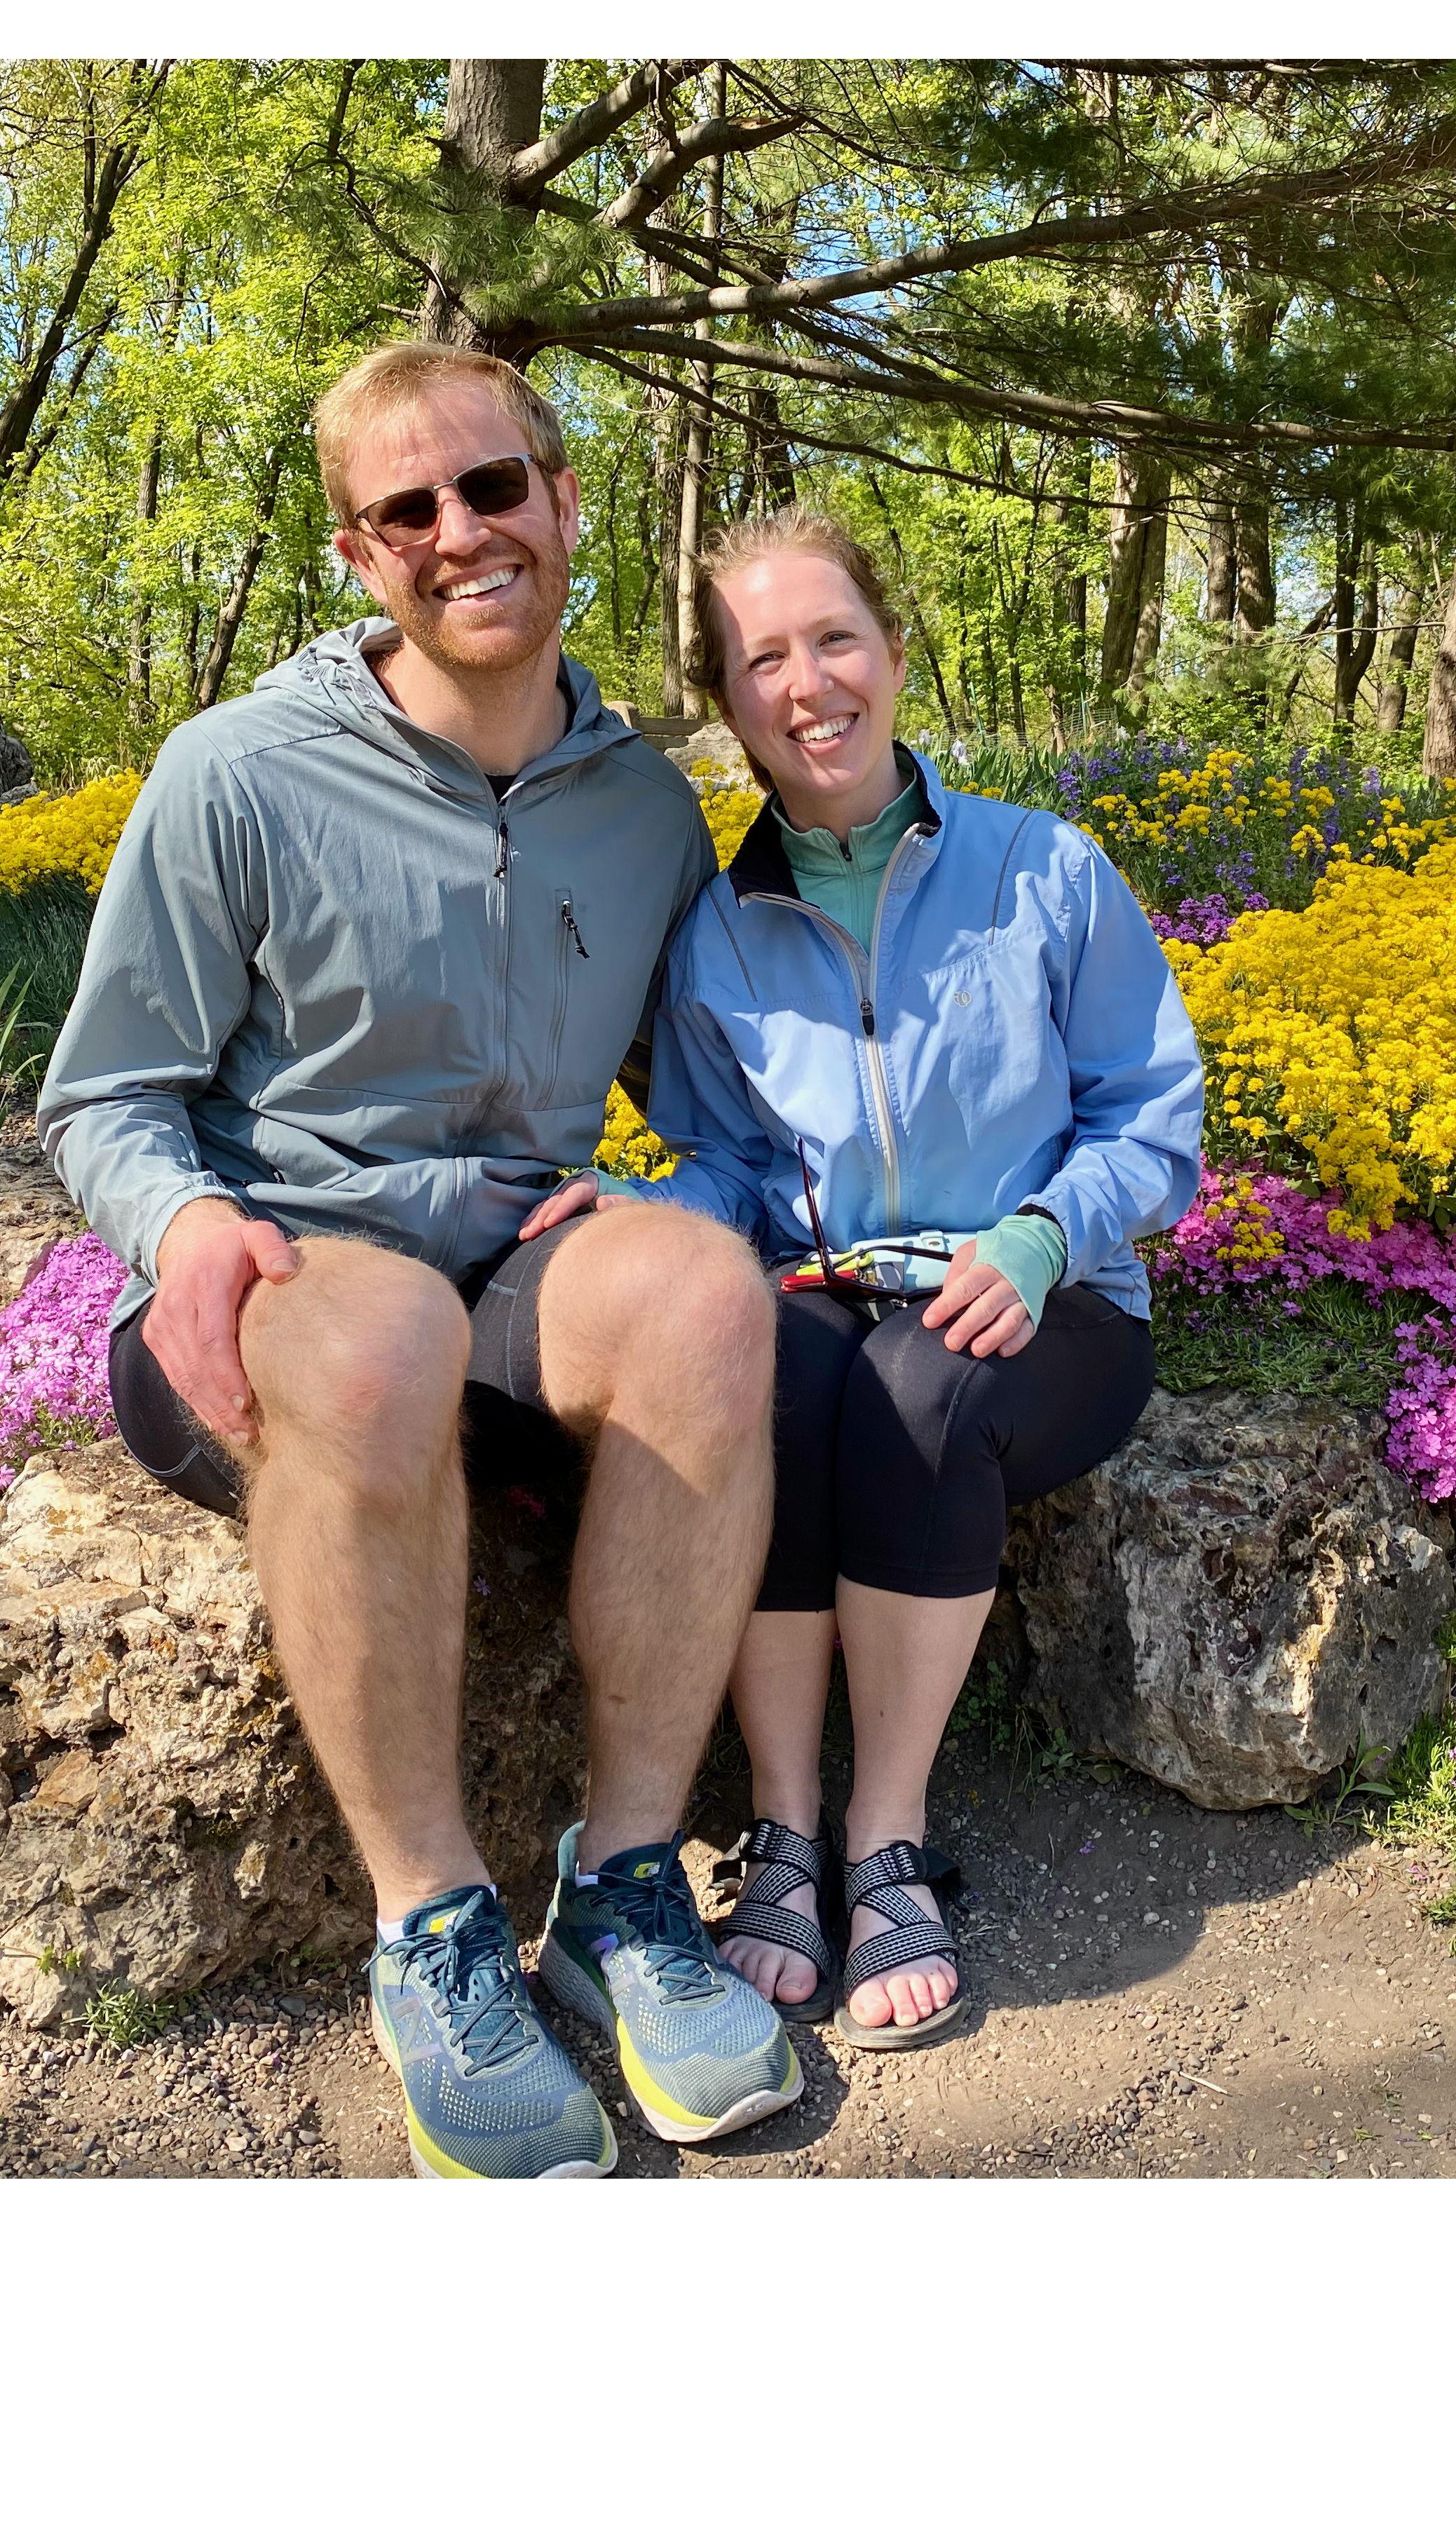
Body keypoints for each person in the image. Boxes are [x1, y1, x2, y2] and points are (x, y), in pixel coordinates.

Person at [37, 342, 801, 2179]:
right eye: (409, 508)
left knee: (702, 1289)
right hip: (286, 1273)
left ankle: (625, 1889)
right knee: (374, 1342)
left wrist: (694, 1191)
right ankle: (433, 1925)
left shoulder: (643, 810)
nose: (464, 531)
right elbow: (105, 1098)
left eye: (495, 486)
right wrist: (193, 1223)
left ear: (563, 498)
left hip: (515, 1270)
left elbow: (704, 1097)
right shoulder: (236, 774)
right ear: (359, 555)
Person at [522, 510, 1202, 2046]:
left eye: (834, 639)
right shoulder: (718, 932)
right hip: (829, 1280)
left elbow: (1153, 1119)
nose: (808, 682)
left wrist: (1041, 1238)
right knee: (772, 1372)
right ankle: (785, 1830)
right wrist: (631, 1214)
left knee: (923, 1382)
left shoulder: (1046, 869)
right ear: (732, 703)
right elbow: (728, 1165)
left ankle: (887, 1838)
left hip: (1053, 1301)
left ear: (893, 659)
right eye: (763, 659)